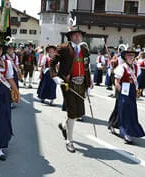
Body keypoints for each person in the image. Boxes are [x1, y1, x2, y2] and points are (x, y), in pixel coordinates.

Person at [50, 25, 93, 153]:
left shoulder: (84, 50)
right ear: (70, 36)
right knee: (72, 111)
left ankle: (64, 125)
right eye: (75, 34)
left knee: (79, 112)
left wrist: (89, 82)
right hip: (68, 83)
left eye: (79, 35)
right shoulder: (63, 48)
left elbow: (86, 67)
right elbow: (52, 63)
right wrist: (55, 77)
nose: (77, 36)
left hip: (81, 83)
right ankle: (69, 140)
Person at [114, 48, 145, 143]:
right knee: (124, 111)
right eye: (128, 55)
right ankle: (125, 133)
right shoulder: (122, 67)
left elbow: (136, 79)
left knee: (131, 111)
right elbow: (116, 82)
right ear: (125, 57)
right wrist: (121, 93)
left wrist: (136, 91)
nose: (130, 57)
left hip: (131, 91)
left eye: (132, 55)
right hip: (123, 90)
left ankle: (114, 123)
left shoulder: (137, 67)